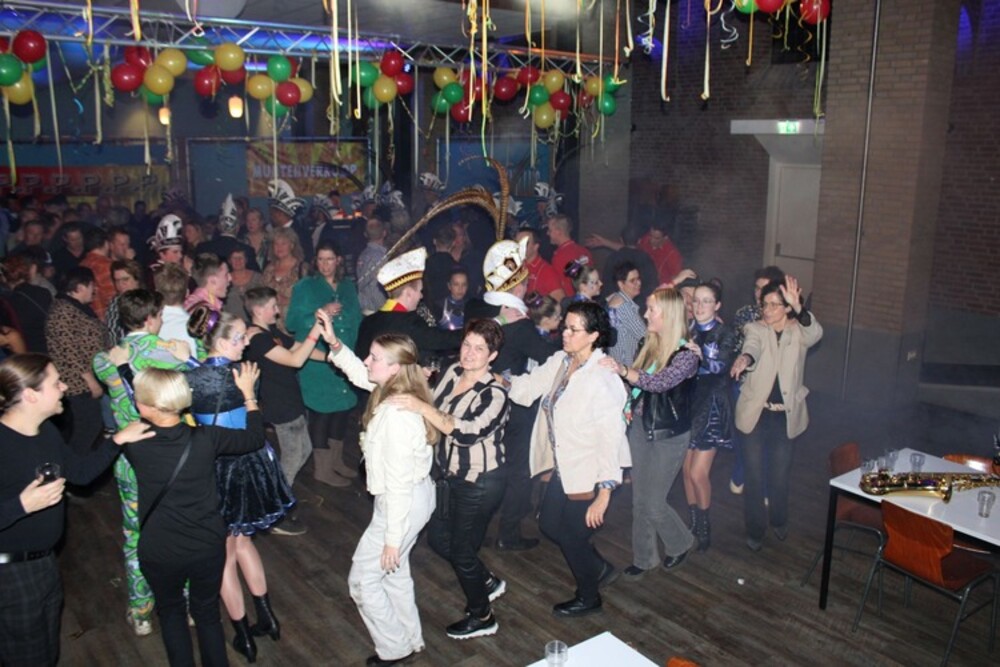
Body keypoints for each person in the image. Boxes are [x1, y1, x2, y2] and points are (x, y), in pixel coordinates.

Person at [0, 354, 146, 667]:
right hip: (10, 574)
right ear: (31, 395)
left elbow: (79, 473)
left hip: (44, 563)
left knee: (46, 652)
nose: (65, 387)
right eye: (56, 383)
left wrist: (118, 439)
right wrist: (22, 505)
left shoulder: (46, 432)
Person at [126, 365, 263, 667]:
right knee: (207, 614)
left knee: (171, 613)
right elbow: (254, 438)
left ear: (146, 406)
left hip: (160, 548)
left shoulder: (132, 443)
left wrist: (116, 439)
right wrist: (249, 395)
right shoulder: (207, 438)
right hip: (206, 545)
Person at [319, 324, 436, 666]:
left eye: (374, 358)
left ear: (395, 367)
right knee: (395, 574)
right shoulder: (393, 389)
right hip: (415, 498)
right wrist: (335, 344)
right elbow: (360, 373)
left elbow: (397, 483)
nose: (367, 362)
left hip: (403, 503)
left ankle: (394, 647)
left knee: (362, 581)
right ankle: (410, 639)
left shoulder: (397, 414)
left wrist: (392, 539)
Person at [387, 319, 510, 639]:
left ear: (492, 356)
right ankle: (487, 581)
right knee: (439, 540)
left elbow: (468, 433)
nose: (469, 353)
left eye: (479, 349)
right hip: (449, 475)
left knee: (462, 550)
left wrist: (420, 407)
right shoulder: (453, 370)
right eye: (467, 344)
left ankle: (482, 616)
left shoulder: (495, 394)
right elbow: (433, 404)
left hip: (480, 482)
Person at [504, 301, 628, 617]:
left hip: (591, 471)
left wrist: (604, 493)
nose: (565, 333)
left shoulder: (603, 379)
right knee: (548, 524)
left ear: (594, 336)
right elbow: (527, 388)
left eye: (574, 329)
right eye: (565, 327)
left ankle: (589, 597)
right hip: (566, 467)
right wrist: (497, 379)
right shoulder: (562, 361)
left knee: (572, 536)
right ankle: (598, 566)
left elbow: (611, 440)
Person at [186, 306, 294, 662]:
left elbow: (189, 386)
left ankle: (244, 636)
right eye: (239, 338)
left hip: (219, 469)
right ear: (220, 342)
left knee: (224, 555)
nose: (245, 344)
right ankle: (268, 618)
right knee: (243, 542)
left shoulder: (190, 378)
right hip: (253, 464)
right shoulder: (247, 373)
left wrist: (185, 360)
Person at [92, 289, 199, 637]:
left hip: (130, 460)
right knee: (180, 529)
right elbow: (202, 381)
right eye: (160, 316)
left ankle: (141, 612)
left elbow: (103, 367)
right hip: (170, 457)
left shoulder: (105, 360)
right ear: (152, 318)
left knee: (135, 535)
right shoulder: (167, 353)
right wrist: (187, 354)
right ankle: (185, 604)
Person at [603, 288, 699, 577]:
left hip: (669, 436)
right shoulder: (647, 342)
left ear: (667, 315)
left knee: (654, 503)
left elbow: (658, 383)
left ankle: (681, 542)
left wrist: (623, 370)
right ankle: (645, 558)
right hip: (641, 428)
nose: (645, 315)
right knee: (640, 499)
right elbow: (639, 386)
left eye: (651, 310)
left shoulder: (687, 355)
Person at [730, 276, 822, 552]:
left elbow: (816, 334)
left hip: (784, 416)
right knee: (754, 475)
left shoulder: (800, 332)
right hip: (756, 414)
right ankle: (755, 529)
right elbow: (752, 346)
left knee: (780, 475)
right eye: (764, 304)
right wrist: (745, 358)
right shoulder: (756, 328)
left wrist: (801, 309)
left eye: (774, 305)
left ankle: (779, 519)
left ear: (787, 307)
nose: (767, 310)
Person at [285, 240, 362, 488]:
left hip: (344, 357)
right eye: (320, 259)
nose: (325, 264)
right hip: (318, 361)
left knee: (342, 409)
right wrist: (321, 312)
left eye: (330, 259)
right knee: (322, 413)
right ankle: (322, 469)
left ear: (338, 260)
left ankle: (336, 461)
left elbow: (356, 318)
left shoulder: (348, 286)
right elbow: (292, 323)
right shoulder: (305, 287)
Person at [244, 287, 326, 495]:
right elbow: (295, 360)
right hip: (279, 406)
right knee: (292, 457)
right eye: (273, 307)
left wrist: (331, 357)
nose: (278, 311)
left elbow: (297, 347)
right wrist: (317, 329)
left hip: (291, 400)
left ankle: (277, 493)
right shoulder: (257, 339)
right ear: (258, 310)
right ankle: (276, 499)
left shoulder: (270, 332)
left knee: (304, 450)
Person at [681, 280, 737, 552]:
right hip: (690, 405)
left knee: (697, 473)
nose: (700, 305)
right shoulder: (688, 330)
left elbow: (720, 367)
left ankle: (704, 526)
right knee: (685, 471)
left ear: (717, 305)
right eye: (696, 300)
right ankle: (694, 521)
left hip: (712, 406)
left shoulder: (725, 332)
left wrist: (699, 353)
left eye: (706, 301)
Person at [727, 265, 785, 495]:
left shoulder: (784, 318)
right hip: (743, 382)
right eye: (756, 288)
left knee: (768, 440)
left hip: (771, 388)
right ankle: (741, 470)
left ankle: (766, 488)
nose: (759, 293)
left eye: (765, 288)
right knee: (743, 432)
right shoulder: (746, 314)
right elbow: (741, 344)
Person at [44, 268, 108, 458]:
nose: (94, 290)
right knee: (87, 427)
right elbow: (69, 350)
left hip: (84, 380)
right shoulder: (62, 311)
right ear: (80, 287)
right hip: (77, 383)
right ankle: (72, 467)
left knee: (90, 425)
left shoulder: (75, 307)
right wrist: (90, 381)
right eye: (91, 286)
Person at [260, 227, 309, 330]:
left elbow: (309, 300)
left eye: (283, 243)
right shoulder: (269, 269)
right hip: (271, 327)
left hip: (295, 326)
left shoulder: (302, 269)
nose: (279, 247)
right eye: (276, 244)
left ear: (292, 245)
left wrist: (288, 300)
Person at [3, 253, 52, 354]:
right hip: (48, 348)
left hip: (26, 352)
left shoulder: (6, 302)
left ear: (4, 277)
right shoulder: (43, 292)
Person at [606, 261, 645, 367]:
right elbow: (644, 336)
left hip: (618, 364)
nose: (638, 283)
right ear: (621, 284)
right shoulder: (623, 306)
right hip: (625, 366)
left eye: (638, 279)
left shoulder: (616, 298)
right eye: (632, 280)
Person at [546, 214, 593, 297]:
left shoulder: (559, 257)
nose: (547, 233)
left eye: (550, 230)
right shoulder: (584, 251)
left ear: (558, 231)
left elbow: (562, 287)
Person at [355, 215, 389, 315]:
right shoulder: (380, 258)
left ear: (365, 234)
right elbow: (376, 288)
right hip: (377, 311)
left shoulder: (362, 256)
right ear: (384, 233)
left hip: (365, 309)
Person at [224, 246, 263, 320]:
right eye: (234, 258)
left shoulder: (258, 278)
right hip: (231, 322)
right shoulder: (224, 279)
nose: (238, 260)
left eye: (241, 258)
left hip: (255, 321)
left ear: (246, 260)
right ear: (230, 261)